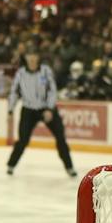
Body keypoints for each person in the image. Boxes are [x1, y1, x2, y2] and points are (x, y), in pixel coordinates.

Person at [6, 48, 76, 178]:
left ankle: (69, 167)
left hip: (46, 109)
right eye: (29, 56)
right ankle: (11, 165)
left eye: (34, 56)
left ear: (38, 58)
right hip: (28, 110)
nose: (32, 59)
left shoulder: (46, 71)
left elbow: (52, 90)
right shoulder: (20, 73)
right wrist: (10, 110)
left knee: (60, 137)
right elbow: (14, 92)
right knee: (23, 140)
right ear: (26, 58)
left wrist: (50, 109)